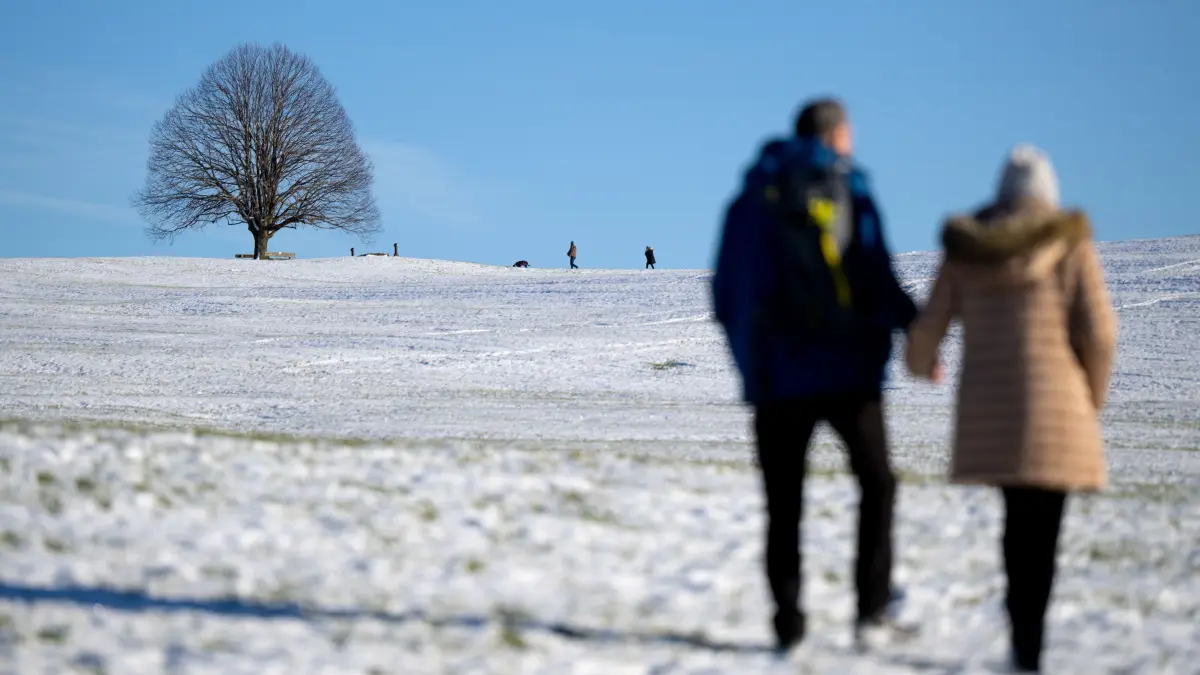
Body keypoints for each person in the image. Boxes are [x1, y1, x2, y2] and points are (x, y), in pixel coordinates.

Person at [712, 97, 919, 653]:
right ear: (837, 134)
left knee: (784, 502)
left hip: (778, 380)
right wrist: (914, 327)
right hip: (849, 370)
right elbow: (874, 270)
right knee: (877, 484)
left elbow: (726, 292)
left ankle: (789, 623)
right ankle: (870, 613)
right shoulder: (848, 185)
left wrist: (752, 367)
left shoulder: (750, 198)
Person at [905, 144, 1117, 672]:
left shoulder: (969, 248)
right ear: (1048, 194)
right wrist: (1090, 398)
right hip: (1059, 411)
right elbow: (1101, 334)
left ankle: (1021, 640)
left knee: (1014, 525)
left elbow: (927, 327)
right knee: (1043, 532)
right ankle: (1031, 645)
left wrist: (920, 362)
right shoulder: (1072, 245)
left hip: (992, 415)